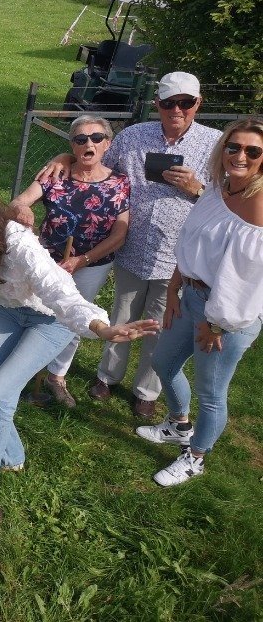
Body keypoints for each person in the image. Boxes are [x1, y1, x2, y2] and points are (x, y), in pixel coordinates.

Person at [0, 175, 158, 505]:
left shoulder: (19, 244)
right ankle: (11, 454)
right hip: (9, 311)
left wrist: (100, 328)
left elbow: (58, 290)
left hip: (52, 318)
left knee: (0, 392)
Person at [37, 71, 221, 419]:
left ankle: (146, 392)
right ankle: (107, 376)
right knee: (122, 314)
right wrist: (64, 157)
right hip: (132, 248)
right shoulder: (135, 136)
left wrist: (196, 188)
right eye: (169, 103)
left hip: (178, 258)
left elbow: (227, 200)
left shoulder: (214, 145)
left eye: (185, 102)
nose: (177, 109)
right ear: (157, 105)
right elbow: (93, 163)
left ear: (198, 103)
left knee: (159, 325)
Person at [136, 119, 263, 486]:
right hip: (190, 296)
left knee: (211, 393)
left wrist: (216, 323)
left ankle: (196, 457)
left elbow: (246, 280)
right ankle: (178, 425)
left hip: (226, 317)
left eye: (253, 151)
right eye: (234, 147)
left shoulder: (257, 208)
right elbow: (190, 241)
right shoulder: (218, 190)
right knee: (163, 362)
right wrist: (174, 288)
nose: (240, 156)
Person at [10, 116, 130, 407]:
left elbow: (121, 232)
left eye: (96, 138)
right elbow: (19, 201)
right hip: (47, 260)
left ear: (107, 144)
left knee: (76, 316)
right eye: (80, 139)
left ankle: (57, 375)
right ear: (72, 146)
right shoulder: (55, 175)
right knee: (36, 310)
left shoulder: (120, 183)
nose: (89, 143)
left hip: (92, 262)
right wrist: (22, 210)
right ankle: (23, 371)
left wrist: (83, 260)